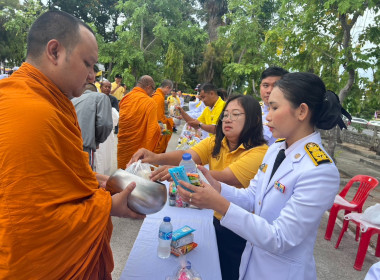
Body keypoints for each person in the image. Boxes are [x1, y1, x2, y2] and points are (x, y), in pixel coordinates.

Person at [0, 11, 145, 279]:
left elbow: (55, 179)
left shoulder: (48, 102)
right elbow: (31, 223)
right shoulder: (32, 112)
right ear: (54, 51)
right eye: (87, 64)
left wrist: (97, 180)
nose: (92, 75)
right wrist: (109, 206)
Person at [177, 72, 351, 280]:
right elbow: (253, 196)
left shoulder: (319, 170)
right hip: (252, 262)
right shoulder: (277, 149)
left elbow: (281, 238)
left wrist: (219, 204)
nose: (267, 116)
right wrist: (216, 187)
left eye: (275, 108)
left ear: (302, 111)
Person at [130, 95, 268, 280]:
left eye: (235, 114)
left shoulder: (259, 152)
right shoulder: (217, 142)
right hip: (216, 216)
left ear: (254, 119)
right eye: (225, 114)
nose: (227, 119)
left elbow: (228, 178)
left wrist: (179, 172)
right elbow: (187, 155)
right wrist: (154, 157)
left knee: (230, 270)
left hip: (239, 227)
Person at [117, 75, 161, 168]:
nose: (153, 93)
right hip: (139, 149)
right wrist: (159, 128)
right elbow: (152, 131)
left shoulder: (126, 98)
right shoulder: (150, 102)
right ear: (148, 87)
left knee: (123, 172)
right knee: (138, 175)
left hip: (124, 146)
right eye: (153, 90)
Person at [72, 83, 113, 170]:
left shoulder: (72, 100)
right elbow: (105, 124)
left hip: (69, 145)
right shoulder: (100, 97)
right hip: (85, 146)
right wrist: (97, 141)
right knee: (85, 177)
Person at [259, 66, 288, 145]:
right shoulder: (250, 110)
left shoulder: (290, 112)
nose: (269, 90)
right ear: (260, 87)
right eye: (265, 85)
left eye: (275, 86)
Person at [152, 79, 175, 153]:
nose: (169, 93)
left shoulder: (159, 95)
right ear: (167, 87)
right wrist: (170, 121)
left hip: (157, 123)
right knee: (157, 147)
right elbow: (159, 118)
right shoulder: (159, 97)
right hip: (157, 126)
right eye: (170, 90)